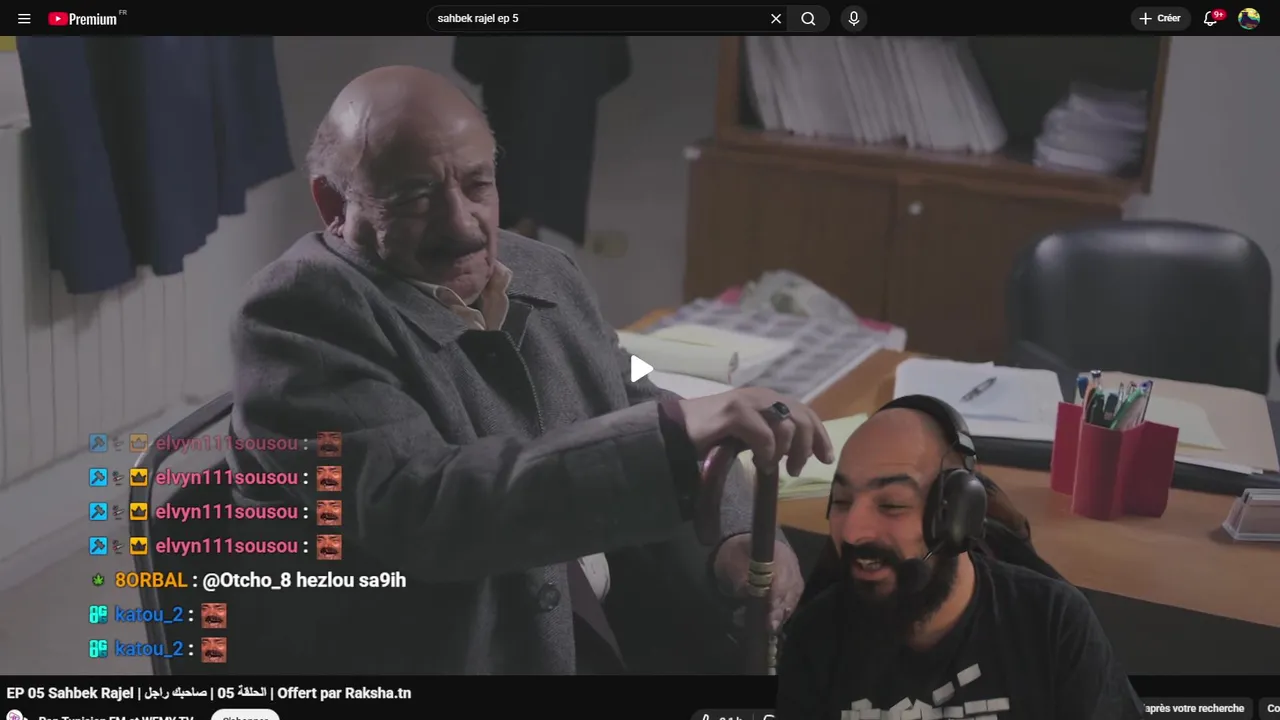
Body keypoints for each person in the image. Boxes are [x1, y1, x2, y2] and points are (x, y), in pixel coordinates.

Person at [223, 66, 831, 674]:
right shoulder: (298, 317)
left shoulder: (543, 270)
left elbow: (632, 389)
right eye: (414, 197)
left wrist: (732, 534)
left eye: (478, 185)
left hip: (607, 616)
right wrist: (677, 431)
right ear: (333, 204)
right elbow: (429, 507)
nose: (463, 224)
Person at [776, 396, 1144, 719]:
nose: (853, 532)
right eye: (842, 502)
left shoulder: (1052, 624)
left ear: (957, 516)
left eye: (892, 505)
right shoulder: (815, 639)